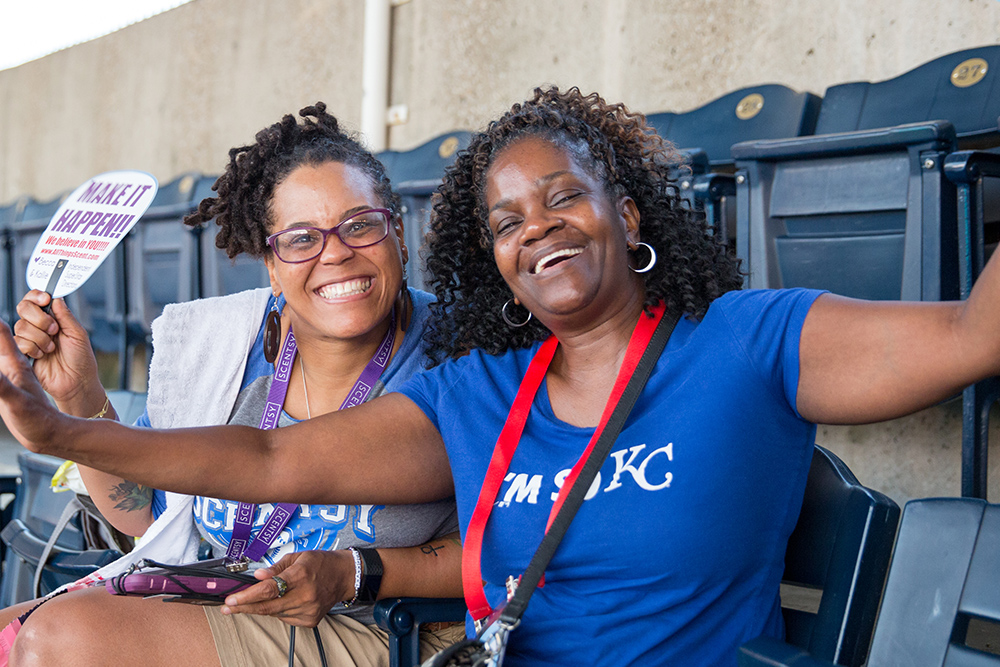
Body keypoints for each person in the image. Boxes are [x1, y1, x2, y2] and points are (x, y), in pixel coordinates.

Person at [1, 86, 999, 666]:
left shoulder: (746, 341)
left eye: (565, 198)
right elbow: (268, 457)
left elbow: (970, 334)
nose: (539, 228)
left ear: (630, 213)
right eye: (508, 221)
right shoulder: (478, 394)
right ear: (492, 258)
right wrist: (63, 430)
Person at [1, 103, 463, 666]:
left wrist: (356, 573)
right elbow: (149, 522)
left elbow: (523, 541)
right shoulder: (226, 353)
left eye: (360, 225)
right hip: (222, 603)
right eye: (300, 238)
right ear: (271, 266)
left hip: (382, 629)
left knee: (62, 640)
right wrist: (79, 397)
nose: (336, 252)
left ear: (400, 235)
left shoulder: (457, 356)